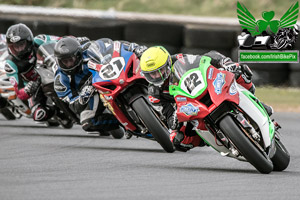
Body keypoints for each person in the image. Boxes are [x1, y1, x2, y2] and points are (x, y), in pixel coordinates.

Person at [139, 46, 273, 152]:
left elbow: (204, 59)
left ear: (167, 63)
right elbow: (167, 115)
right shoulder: (154, 93)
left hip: (205, 86)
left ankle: (256, 102)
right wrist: (173, 120)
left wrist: (225, 64)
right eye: (151, 75)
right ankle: (211, 138)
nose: (156, 76)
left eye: (159, 71)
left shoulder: (179, 59)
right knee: (177, 140)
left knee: (240, 70)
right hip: (188, 106)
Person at [53, 36, 146, 136]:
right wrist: (82, 98)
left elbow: (115, 45)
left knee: (142, 63)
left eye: (71, 59)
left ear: (78, 55)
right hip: (93, 93)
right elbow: (73, 106)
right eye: (64, 61)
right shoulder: (60, 80)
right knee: (87, 123)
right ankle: (121, 122)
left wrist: (134, 48)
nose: (68, 64)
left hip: (112, 73)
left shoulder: (89, 50)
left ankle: (157, 93)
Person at [4, 23, 62, 123]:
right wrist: (29, 88)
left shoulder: (40, 40)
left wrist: (75, 40)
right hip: (35, 86)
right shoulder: (10, 64)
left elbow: (62, 40)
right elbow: (19, 93)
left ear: (29, 41)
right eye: (14, 47)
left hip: (52, 72)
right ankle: (56, 112)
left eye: (21, 45)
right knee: (39, 115)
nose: (18, 50)